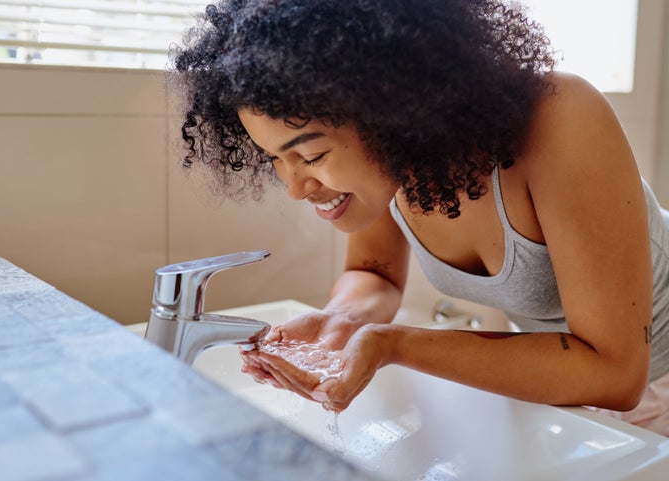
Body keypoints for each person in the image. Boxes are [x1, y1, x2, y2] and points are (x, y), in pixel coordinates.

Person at [172, 0, 669, 435]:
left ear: (391, 111)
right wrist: (339, 324)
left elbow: (614, 374)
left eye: (312, 155)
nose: (296, 188)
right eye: (275, 158)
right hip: (593, 387)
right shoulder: (398, 169)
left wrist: (394, 344)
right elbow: (375, 274)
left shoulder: (562, 117)